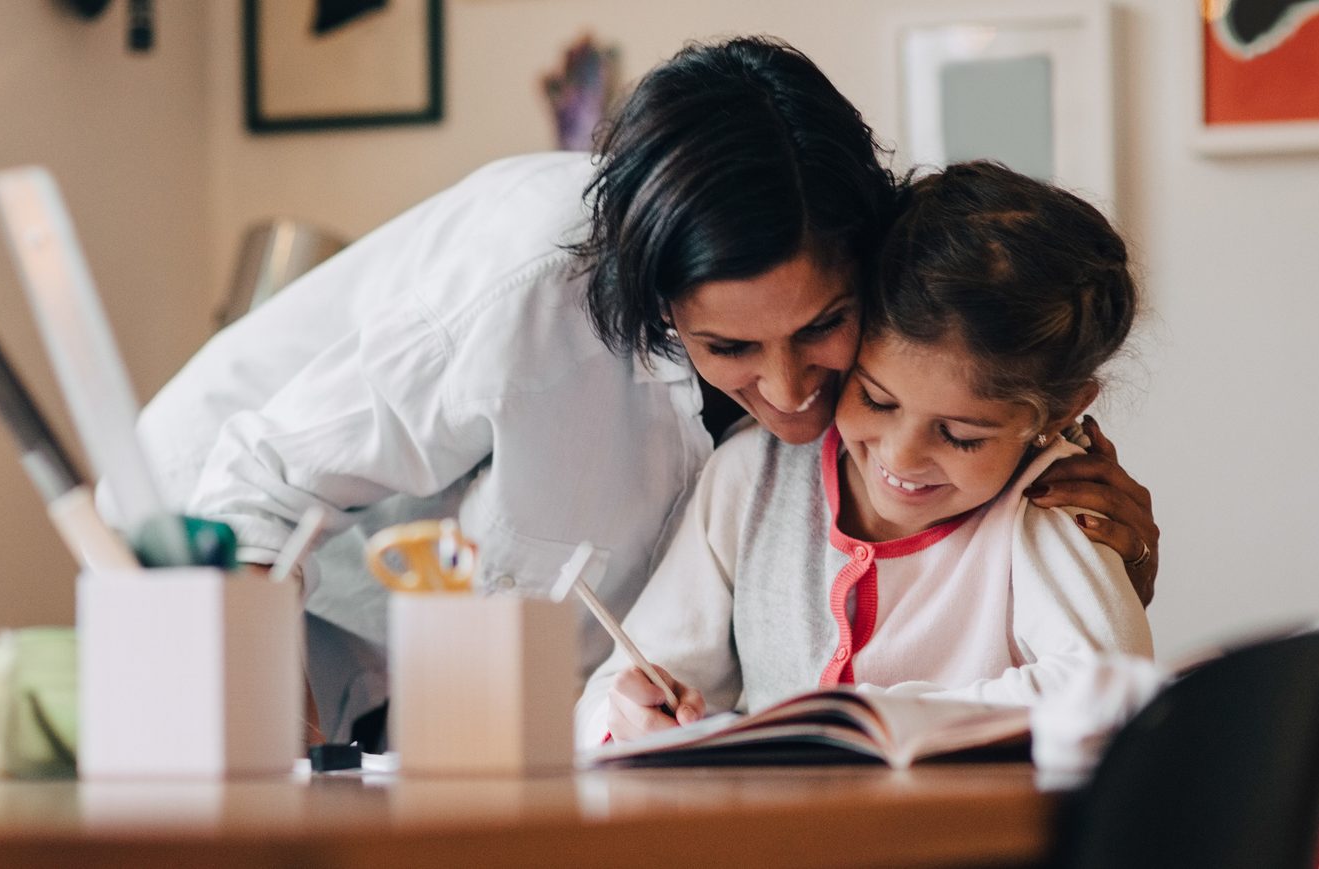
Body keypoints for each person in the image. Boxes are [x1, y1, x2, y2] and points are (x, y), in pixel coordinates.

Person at [133, 38, 1161, 744]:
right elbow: (250, 483)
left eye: (822, 328)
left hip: (487, 697)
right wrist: (269, 732)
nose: (794, 392)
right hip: (249, 563)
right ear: (653, 307)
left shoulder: (895, 358)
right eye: (727, 346)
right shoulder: (523, 295)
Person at [576, 163, 1151, 744]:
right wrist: (626, 715)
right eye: (875, 400)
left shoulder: (1052, 500)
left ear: (1056, 412)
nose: (901, 459)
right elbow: (617, 689)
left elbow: (1111, 691)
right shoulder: (752, 479)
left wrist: (874, 722)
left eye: (961, 436)